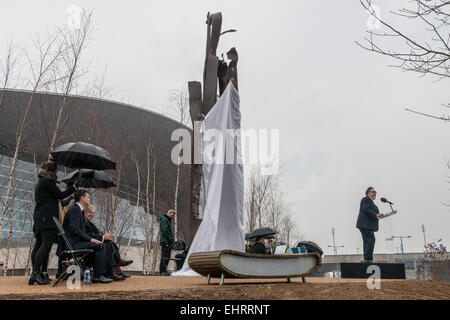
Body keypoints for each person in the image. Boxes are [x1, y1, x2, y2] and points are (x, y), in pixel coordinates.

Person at [30, 162, 76, 285]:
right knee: (45, 245)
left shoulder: (41, 181)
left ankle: (34, 274)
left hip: (40, 217)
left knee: (39, 244)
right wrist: (73, 188)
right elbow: (60, 195)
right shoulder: (47, 181)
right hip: (47, 218)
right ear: (55, 172)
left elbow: (55, 196)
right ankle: (36, 273)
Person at [62, 189, 113, 283]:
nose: (89, 198)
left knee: (99, 245)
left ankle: (97, 274)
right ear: (82, 198)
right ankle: (98, 276)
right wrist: (91, 239)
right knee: (101, 246)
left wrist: (92, 239)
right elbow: (75, 230)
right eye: (88, 196)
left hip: (77, 242)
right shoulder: (75, 209)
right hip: (73, 244)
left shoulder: (78, 210)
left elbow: (80, 231)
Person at [84, 204, 132, 280]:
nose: (92, 215)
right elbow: (87, 235)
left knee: (110, 243)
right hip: (88, 243)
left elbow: (97, 233)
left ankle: (116, 269)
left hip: (94, 242)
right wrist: (103, 237)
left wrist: (104, 235)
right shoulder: (83, 222)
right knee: (108, 244)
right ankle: (114, 270)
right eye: (90, 212)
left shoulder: (89, 223)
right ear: (84, 212)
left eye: (93, 213)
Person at [356, 187, 384, 262]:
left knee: (368, 241)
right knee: (370, 240)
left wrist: (377, 215)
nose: (375, 193)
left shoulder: (370, 201)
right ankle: (368, 259)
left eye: (375, 192)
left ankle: (367, 259)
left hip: (367, 225)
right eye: (373, 192)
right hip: (365, 225)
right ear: (368, 192)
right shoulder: (365, 199)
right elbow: (366, 209)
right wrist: (376, 215)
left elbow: (370, 210)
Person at [159, 209, 175, 275]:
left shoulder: (167, 220)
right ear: (169, 213)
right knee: (165, 256)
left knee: (167, 256)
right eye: (172, 214)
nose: (173, 216)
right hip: (166, 241)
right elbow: (165, 231)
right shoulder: (164, 220)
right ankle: (162, 271)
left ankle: (164, 271)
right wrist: (171, 238)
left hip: (167, 241)